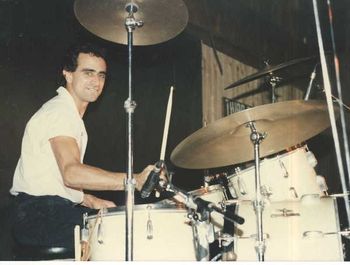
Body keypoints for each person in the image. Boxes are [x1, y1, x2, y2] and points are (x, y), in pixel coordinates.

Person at [10, 42, 155, 251]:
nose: (96, 81)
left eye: (101, 75)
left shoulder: (66, 114)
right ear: (68, 74)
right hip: (40, 217)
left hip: (43, 213)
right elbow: (71, 173)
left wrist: (90, 200)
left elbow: (52, 180)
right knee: (127, 237)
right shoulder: (60, 113)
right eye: (88, 73)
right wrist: (133, 181)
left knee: (117, 227)